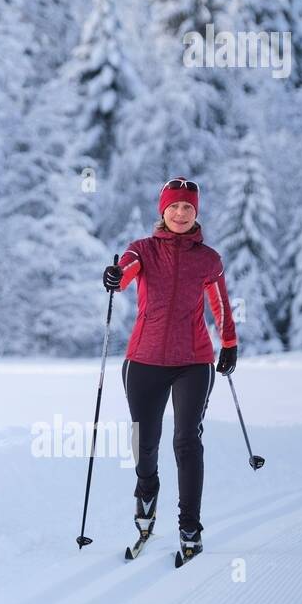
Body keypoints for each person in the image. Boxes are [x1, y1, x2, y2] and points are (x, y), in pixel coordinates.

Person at [102, 177, 237, 561]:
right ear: (163, 210)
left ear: (196, 213)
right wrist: (113, 277)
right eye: (175, 207)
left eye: (188, 208)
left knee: (186, 440)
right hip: (144, 360)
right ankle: (147, 494)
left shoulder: (208, 260)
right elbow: (124, 273)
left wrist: (229, 343)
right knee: (145, 444)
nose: (181, 213)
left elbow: (220, 304)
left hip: (193, 361)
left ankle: (190, 527)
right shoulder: (142, 250)